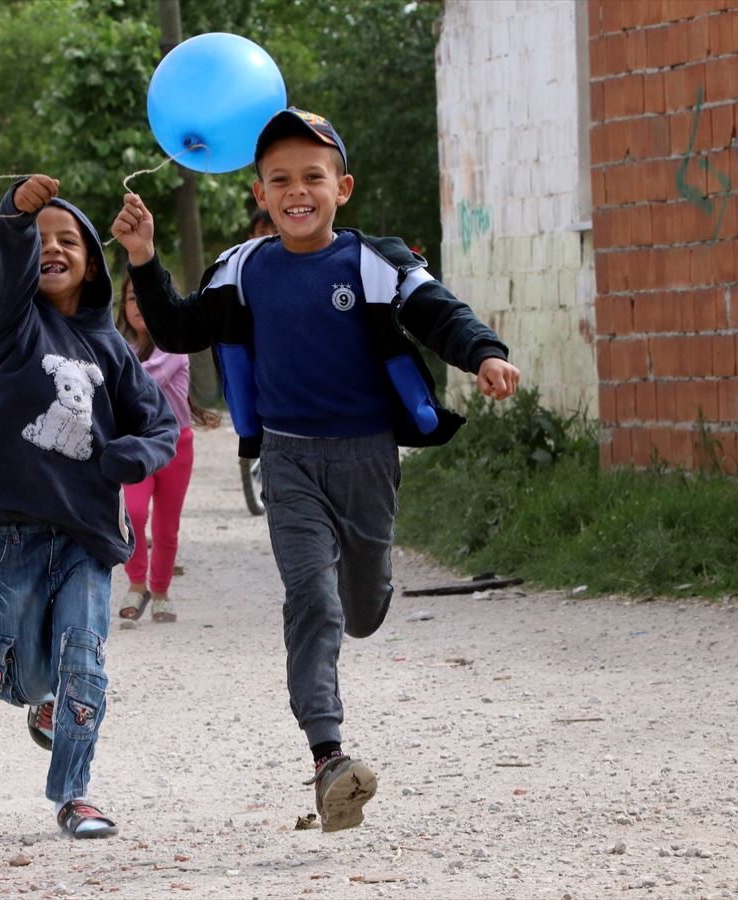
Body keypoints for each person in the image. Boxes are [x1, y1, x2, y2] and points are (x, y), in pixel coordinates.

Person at [111, 108, 521, 833]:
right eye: (280, 180)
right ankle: (329, 757)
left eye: (312, 177)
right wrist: (143, 258)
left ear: (343, 187)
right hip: (288, 455)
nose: (296, 191)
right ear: (260, 194)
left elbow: (438, 313)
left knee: (360, 609)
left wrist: (484, 353)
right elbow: (175, 327)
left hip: (366, 457)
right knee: (312, 597)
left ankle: (370, 582)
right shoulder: (241, 271)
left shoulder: (375, 263)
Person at [0, 175, 178, 839]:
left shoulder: (112, 349)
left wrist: (134, 457)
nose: (52, 247)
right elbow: (8, 259)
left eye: (69, 240)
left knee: (84, 658)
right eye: (41, 241)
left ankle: (75, 794)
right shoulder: (11, 324)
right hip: (15, 530)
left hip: (89, 533)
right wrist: (15, 214)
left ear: (92, 263)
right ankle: (32, 696)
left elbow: (160, 426)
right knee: (28, 674)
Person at [114, 275, 219, 624]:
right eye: (131, 299)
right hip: (136, 445)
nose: (139, 306)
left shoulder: (174, 346)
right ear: (123, 307)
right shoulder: (122, 351)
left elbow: (144, 381)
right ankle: (136, 583)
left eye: (145, 298)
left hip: (176, 445)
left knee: (165, 526)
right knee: (133, 513)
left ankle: (160, 590)